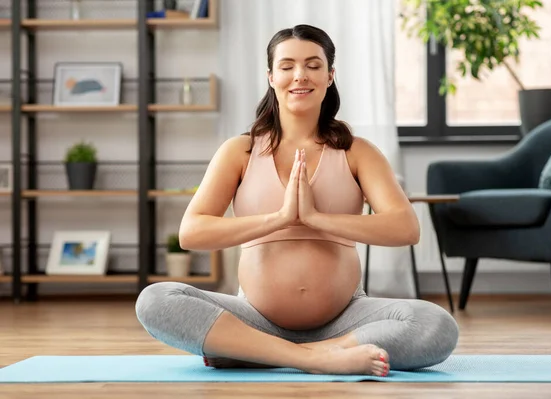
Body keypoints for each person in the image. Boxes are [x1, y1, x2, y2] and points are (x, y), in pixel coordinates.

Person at [135, 24, 459, 376]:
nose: (300, 76)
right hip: (254, 319)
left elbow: (405, 228)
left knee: (435, 325)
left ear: (330, 75)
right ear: (271, 76)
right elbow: (192, 233)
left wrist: (316, 217)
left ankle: (265, 354)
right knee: (155, 300)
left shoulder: (357, 151)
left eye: (313, 65)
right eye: (287, 66)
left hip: (345, 321)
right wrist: (281, 217)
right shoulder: (239, 151)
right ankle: (313, 359)